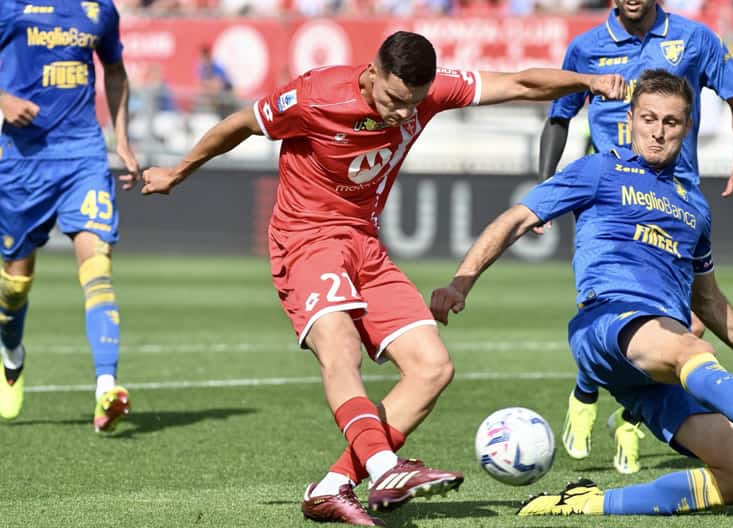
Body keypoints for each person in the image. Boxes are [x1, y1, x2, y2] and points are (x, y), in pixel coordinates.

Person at [140, 31, 625, 526]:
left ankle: (331, 487)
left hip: (365, 245)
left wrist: (587, 81)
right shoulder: (314, 96)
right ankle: (386, 466)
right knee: (341, 347)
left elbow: (521, 83)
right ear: (372, 73)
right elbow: (241, 123)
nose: (401, 114)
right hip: (305, 239)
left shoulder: (427, 95)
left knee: (432, 367)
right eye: (394, 100)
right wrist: (179, 171)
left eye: (412, 104)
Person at [431, 69, 733, 517]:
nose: (657, 132)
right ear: (630, 118)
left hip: (653, 361)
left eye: (670, 122)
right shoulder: (601, 169)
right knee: (687, 346)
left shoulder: (694, 207)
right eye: (648, 118)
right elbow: (518, 218)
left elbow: (709, 302)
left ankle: (591, 502)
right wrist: (462, 279)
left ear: (686, 127)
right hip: (608, 323)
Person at [538, 0, 733, 474]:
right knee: (638, 310)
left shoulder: (695, 38)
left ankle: (624, 409)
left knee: (685, 324)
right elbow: (559, 114)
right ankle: (597, 389)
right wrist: (545, 185)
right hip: (613, 192)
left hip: (680, 196)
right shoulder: (585, 48)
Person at [0, 1, 140, 432]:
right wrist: (3, 98)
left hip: (83, 157)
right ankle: (11, 354)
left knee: (97, 268)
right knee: (14, 288)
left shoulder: (99, 10)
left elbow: (115, 73)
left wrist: (122, 140)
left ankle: (106, 386)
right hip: (22, 161)